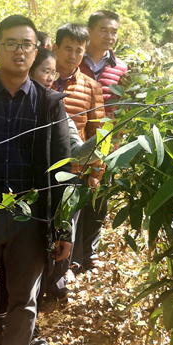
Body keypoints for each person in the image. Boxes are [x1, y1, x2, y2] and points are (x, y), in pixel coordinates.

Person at [0, 15, 72, 345]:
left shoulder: (48, 104)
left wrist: (62, 229)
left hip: (30, 218)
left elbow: (62, 169)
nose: (19, 52)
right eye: (11, 44)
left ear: (36, 51)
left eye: (26, 45)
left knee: (24, 302)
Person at [47, 24, 106, 299]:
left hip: (74, 170)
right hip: (42, 165)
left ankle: (57, 284)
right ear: (55, 48)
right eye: (67, 49)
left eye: (79, 51)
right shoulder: (41, 79)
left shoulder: (91, 87)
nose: (72, 56)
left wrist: (96, 171)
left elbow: (99, 133)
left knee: (66, 227)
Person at [72, 10, 128, 272]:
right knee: (73, 196)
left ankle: (89, 253)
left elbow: (124, 108)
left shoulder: (121, 69)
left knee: (98, 197)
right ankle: (70, 254)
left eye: (114, 31)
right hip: (75, 141)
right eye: (104, 30)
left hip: (108, 145)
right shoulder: (73, 60)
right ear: (90, 31)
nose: (110, 36)